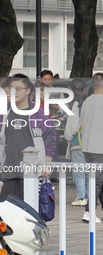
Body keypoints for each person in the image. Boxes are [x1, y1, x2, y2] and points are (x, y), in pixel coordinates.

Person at [0, 74, 56, 202]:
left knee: (28, 213)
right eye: (12, 88)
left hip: (31, 172)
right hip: (8, 170)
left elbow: (50, 138)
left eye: (18, 88)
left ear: (28, 91)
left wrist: (46, 164)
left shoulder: (39, 112)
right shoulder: (4, 111)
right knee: (5, 212)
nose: (14, 92)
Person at [80, 72, 103, 223]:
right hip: (99, 146)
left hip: (88, 146)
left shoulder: (87, 101)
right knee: (97, 181)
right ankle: (89, 211)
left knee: (100, 180)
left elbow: (81, 124)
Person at [64, 78, 88, 207]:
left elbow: (72, 126)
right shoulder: (89, 102)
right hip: (91, 143)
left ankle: (81, 197)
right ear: (85, 89)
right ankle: (89, 196)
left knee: (78, 171)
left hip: (78, 142)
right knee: (89, 171)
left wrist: (68, 138)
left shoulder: (75, 104)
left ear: (72, 91)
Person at [40, 69, 62, 181]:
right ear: (41, 79)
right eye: (45, 79)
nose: (48, 82)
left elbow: (64, 108)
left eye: (49, 79)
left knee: (54, 149)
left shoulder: (57, 92)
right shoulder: (38, 92)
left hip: (55, 124)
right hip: (42, 125)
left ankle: (54, 175)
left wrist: (54, 106)